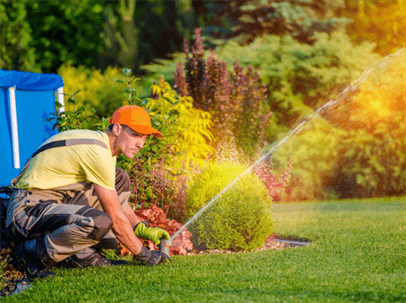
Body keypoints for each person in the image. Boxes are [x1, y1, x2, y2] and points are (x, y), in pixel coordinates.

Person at [5, 105, 172, 280]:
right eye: (135, 135)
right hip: (27, 210)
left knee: (119, 178)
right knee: (99, 223)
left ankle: (81, 257)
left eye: (144, 138)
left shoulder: (102, 147)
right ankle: (30, 254)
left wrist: (139, 227)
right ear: (117, 128)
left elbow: (115, 201)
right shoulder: (98, 152)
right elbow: (115, 217)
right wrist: (143, 254)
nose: (140, 144)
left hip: (51, 202)